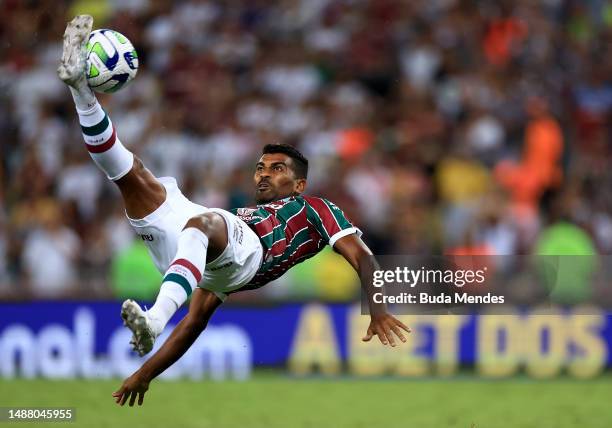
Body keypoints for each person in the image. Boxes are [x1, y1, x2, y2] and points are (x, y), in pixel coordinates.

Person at [58, 15, 410, 406]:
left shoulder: (314, 209)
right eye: (261, 166)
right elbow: (193, 323)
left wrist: (377, 310)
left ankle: (155, 318)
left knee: (205, 220)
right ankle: (79, 89)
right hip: (195, 254)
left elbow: (363, 257)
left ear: (299, 185)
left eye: (278, 169)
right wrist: (145, 374)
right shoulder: (234, 232)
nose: (264, 173)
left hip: (248, 253)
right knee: (130, 174)